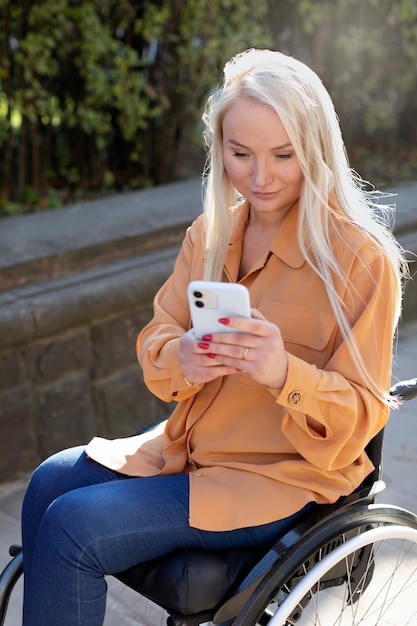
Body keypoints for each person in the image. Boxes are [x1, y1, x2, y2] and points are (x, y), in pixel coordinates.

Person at [21, 48, 407, 625]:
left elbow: (359, 416)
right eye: (240, 154)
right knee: (47, 481)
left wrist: (282, 373)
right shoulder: (211, 233)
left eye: (283, 154)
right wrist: (183, 358)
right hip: (193, 451)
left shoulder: (360, 261)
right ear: (219, 148)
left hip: (277, 478)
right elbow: (159, 341)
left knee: (73, 526)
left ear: (316, 150)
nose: (259, 176)